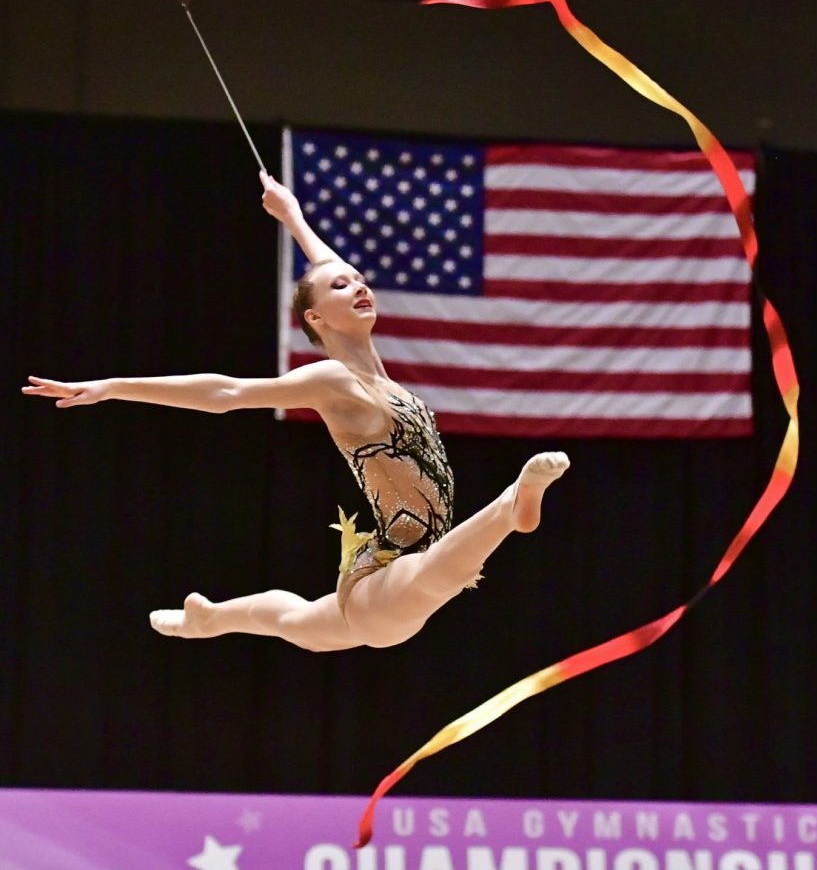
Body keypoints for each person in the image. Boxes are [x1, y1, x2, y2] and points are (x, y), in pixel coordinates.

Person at [22, 171, 569, 653]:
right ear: (317, 318)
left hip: (379, 578)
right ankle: (511, 504)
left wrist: (294, 216)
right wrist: (114, 386)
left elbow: (326, 265)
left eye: (358, 279)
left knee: (293, 621)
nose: (357, 284)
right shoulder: (333, 380)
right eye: (341, 285)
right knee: (435, 575)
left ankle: (209, 619)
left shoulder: (386, 383)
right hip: (401, 577)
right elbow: (228, 393)